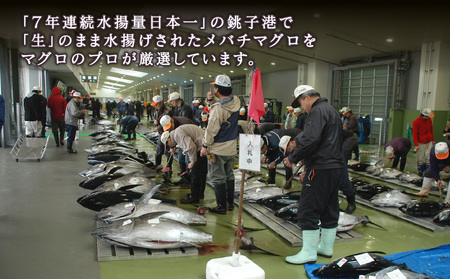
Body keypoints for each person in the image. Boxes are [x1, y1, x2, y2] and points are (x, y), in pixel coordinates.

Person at [283, 85, 343, 265]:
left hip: (321, 167)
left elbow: (310, 140)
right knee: (329, 207)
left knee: (308, 208)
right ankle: (326, 247)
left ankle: (308, 252)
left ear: (307, 97)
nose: (302, 107)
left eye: (301, 102)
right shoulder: (331, 110)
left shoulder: (316, 112)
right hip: (335, 167)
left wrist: (293, 157)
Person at [200, 74, 240, 214]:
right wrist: (211, 101)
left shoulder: (218, 108)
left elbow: (211, 130)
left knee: (218, 177)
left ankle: (221, 207)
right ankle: (230, 204)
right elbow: (224, 104)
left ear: (217, 89)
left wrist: (205, 146)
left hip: (218, 148)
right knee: (229, 175)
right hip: (231, 147)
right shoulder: (236, 101)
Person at [161, 124, 207, 204]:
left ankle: (194, 198)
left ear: (168, 139)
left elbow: (191, 147)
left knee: (195, 174)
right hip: (203, 145)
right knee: (201, 174)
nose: (169, 146)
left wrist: (192, 162)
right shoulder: (177, 133)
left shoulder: (177, 134)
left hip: (201, 148)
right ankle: (199, 194)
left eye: (168, 144)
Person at [151, 95, 172, 170]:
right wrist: (156, 123)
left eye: (156, 104)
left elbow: (169, 122)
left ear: (161, 103)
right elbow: (157, 121)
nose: (155, 106)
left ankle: (169, 168)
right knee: (158, 151)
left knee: (168, 152)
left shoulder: (168, 111)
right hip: (161, 134)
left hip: (167, 134)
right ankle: (158, 165)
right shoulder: (158, 111)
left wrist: (160, 126)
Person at [412, 108, 435, 176]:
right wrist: (416, 144)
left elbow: (431, 130)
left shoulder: (429, 120)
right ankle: (420, 171)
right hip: (420, 142)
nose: (429, 117)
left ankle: (427, 172)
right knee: (421, 158)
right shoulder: (416, 122)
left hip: (429, 141)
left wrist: (432, 139)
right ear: (424, 115)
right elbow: (414, 134)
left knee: (429, 157)